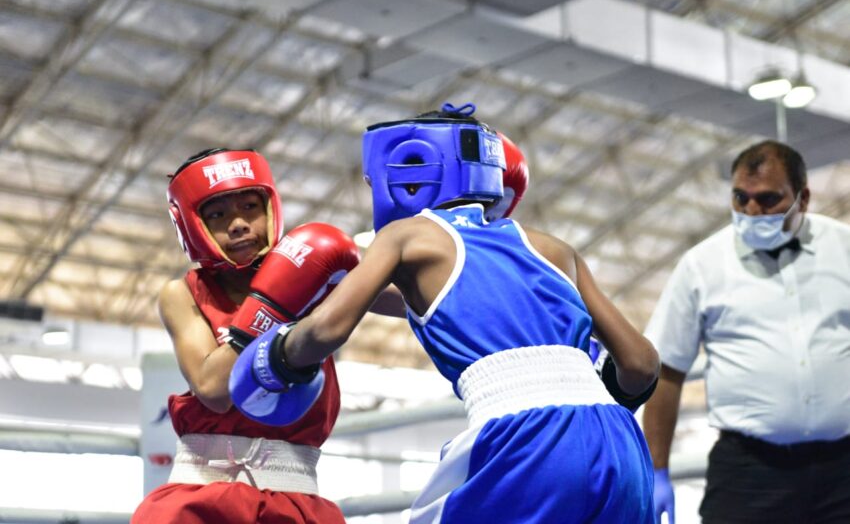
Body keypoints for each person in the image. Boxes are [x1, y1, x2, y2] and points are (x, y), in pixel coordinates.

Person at [229, 103, 661, 523]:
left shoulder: (407, 236)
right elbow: (642, 365)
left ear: (408, 170)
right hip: (619, 443)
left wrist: (278, 356)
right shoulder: (551, 248)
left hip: (523, 438)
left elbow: (328, 329)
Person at [131, 147, 362, 524]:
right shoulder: (183, 293)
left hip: (296, 495)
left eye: (250, 207)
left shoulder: (316, 275)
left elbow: (418, 303)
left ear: (270, 209)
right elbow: (214, 389)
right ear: (192, 224)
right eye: (218, 213)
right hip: (202, 494)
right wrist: (274, 305)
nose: (238, 224)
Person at [642, 140, 850, 524]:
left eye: (768, 199)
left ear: (802, 198)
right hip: (748, 472)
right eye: (741, 198)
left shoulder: (844, 249)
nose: (752, 212)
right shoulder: (702, 265)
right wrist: (656, 470)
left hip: (843, 470)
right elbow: (667, 370)